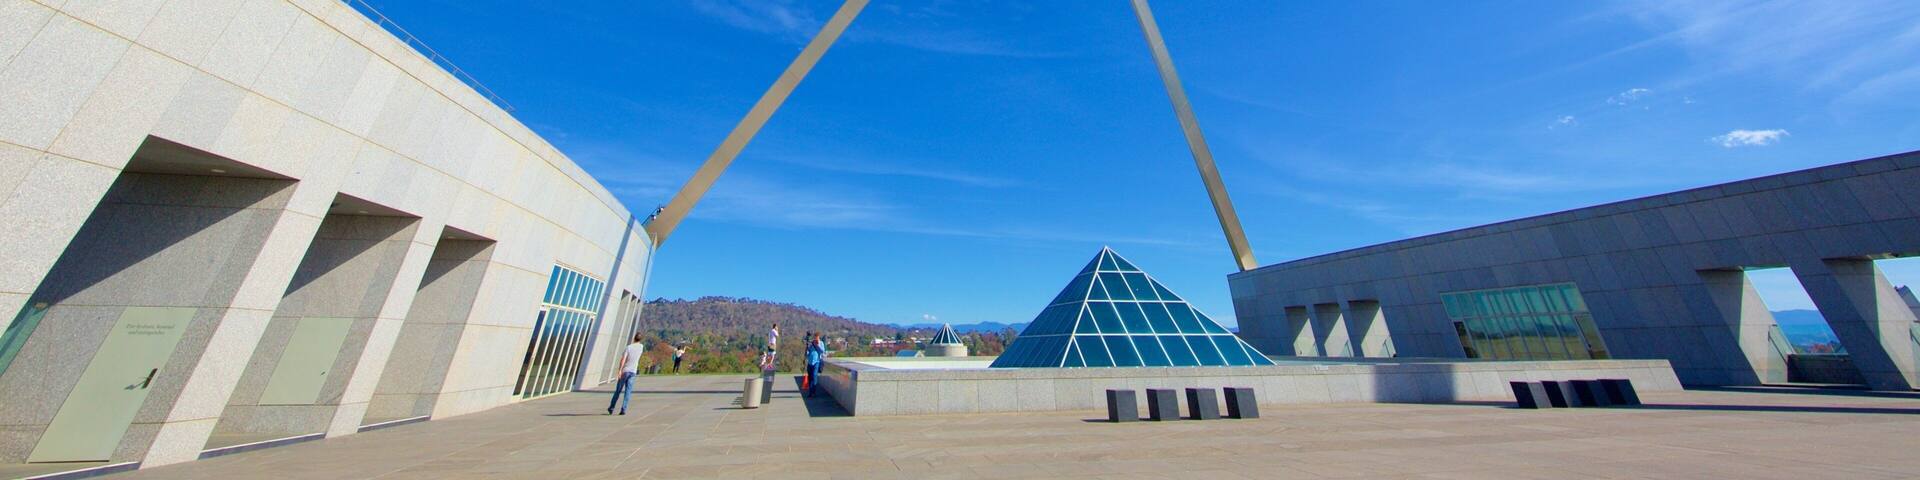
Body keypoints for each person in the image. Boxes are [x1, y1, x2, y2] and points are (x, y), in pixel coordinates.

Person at [607, 334, 644, 415]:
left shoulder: (629, 347)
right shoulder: (641, 347)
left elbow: (623, 359)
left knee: (618, 391)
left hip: (625, 370)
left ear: (634, 338)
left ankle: (612, 407)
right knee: (628, 391)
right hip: (633, 371)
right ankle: (624, 408)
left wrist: (620, 370)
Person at [803, 331, 820, 396]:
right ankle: (810, 392)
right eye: (815, 337)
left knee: (814, 376)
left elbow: (821, 351)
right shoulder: (810, 344)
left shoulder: (820, 343)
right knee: (810, 377)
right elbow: (808, 352)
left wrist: (815, 344)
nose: (816, 338)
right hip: (810, 362)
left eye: (817, 337)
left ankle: (814, 392)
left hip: (816, 362)